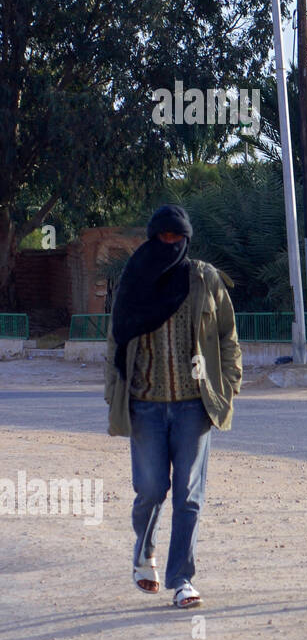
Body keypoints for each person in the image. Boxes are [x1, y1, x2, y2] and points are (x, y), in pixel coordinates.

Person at [105, 204, 242, 609]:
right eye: (162, 238)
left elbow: (227, 337)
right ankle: (144, 553)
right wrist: (114, 392)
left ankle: (181, 578)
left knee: (189, 495)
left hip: (192, 406)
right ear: (152, 238)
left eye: (176, 238)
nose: (169, 245)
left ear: (186, 239)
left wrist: (228, 385)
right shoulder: (133, 279)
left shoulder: (204, 278)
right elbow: (116, 339)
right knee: (150, 490)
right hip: (144, 404)